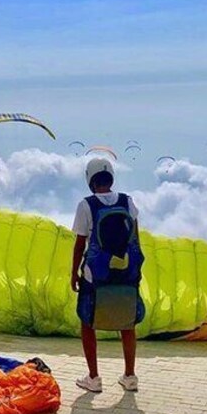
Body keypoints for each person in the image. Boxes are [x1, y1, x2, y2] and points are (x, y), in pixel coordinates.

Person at [71, 158, 144, 393]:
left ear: (90, 180)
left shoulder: (86, 205)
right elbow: (135, 237)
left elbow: (80, 244)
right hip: (125, 272)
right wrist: (135, 267)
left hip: (96, 275)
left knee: (87, 321)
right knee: (127, 322)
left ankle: (93, 378)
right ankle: (130, 376)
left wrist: (74, 273)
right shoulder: (127, 201)